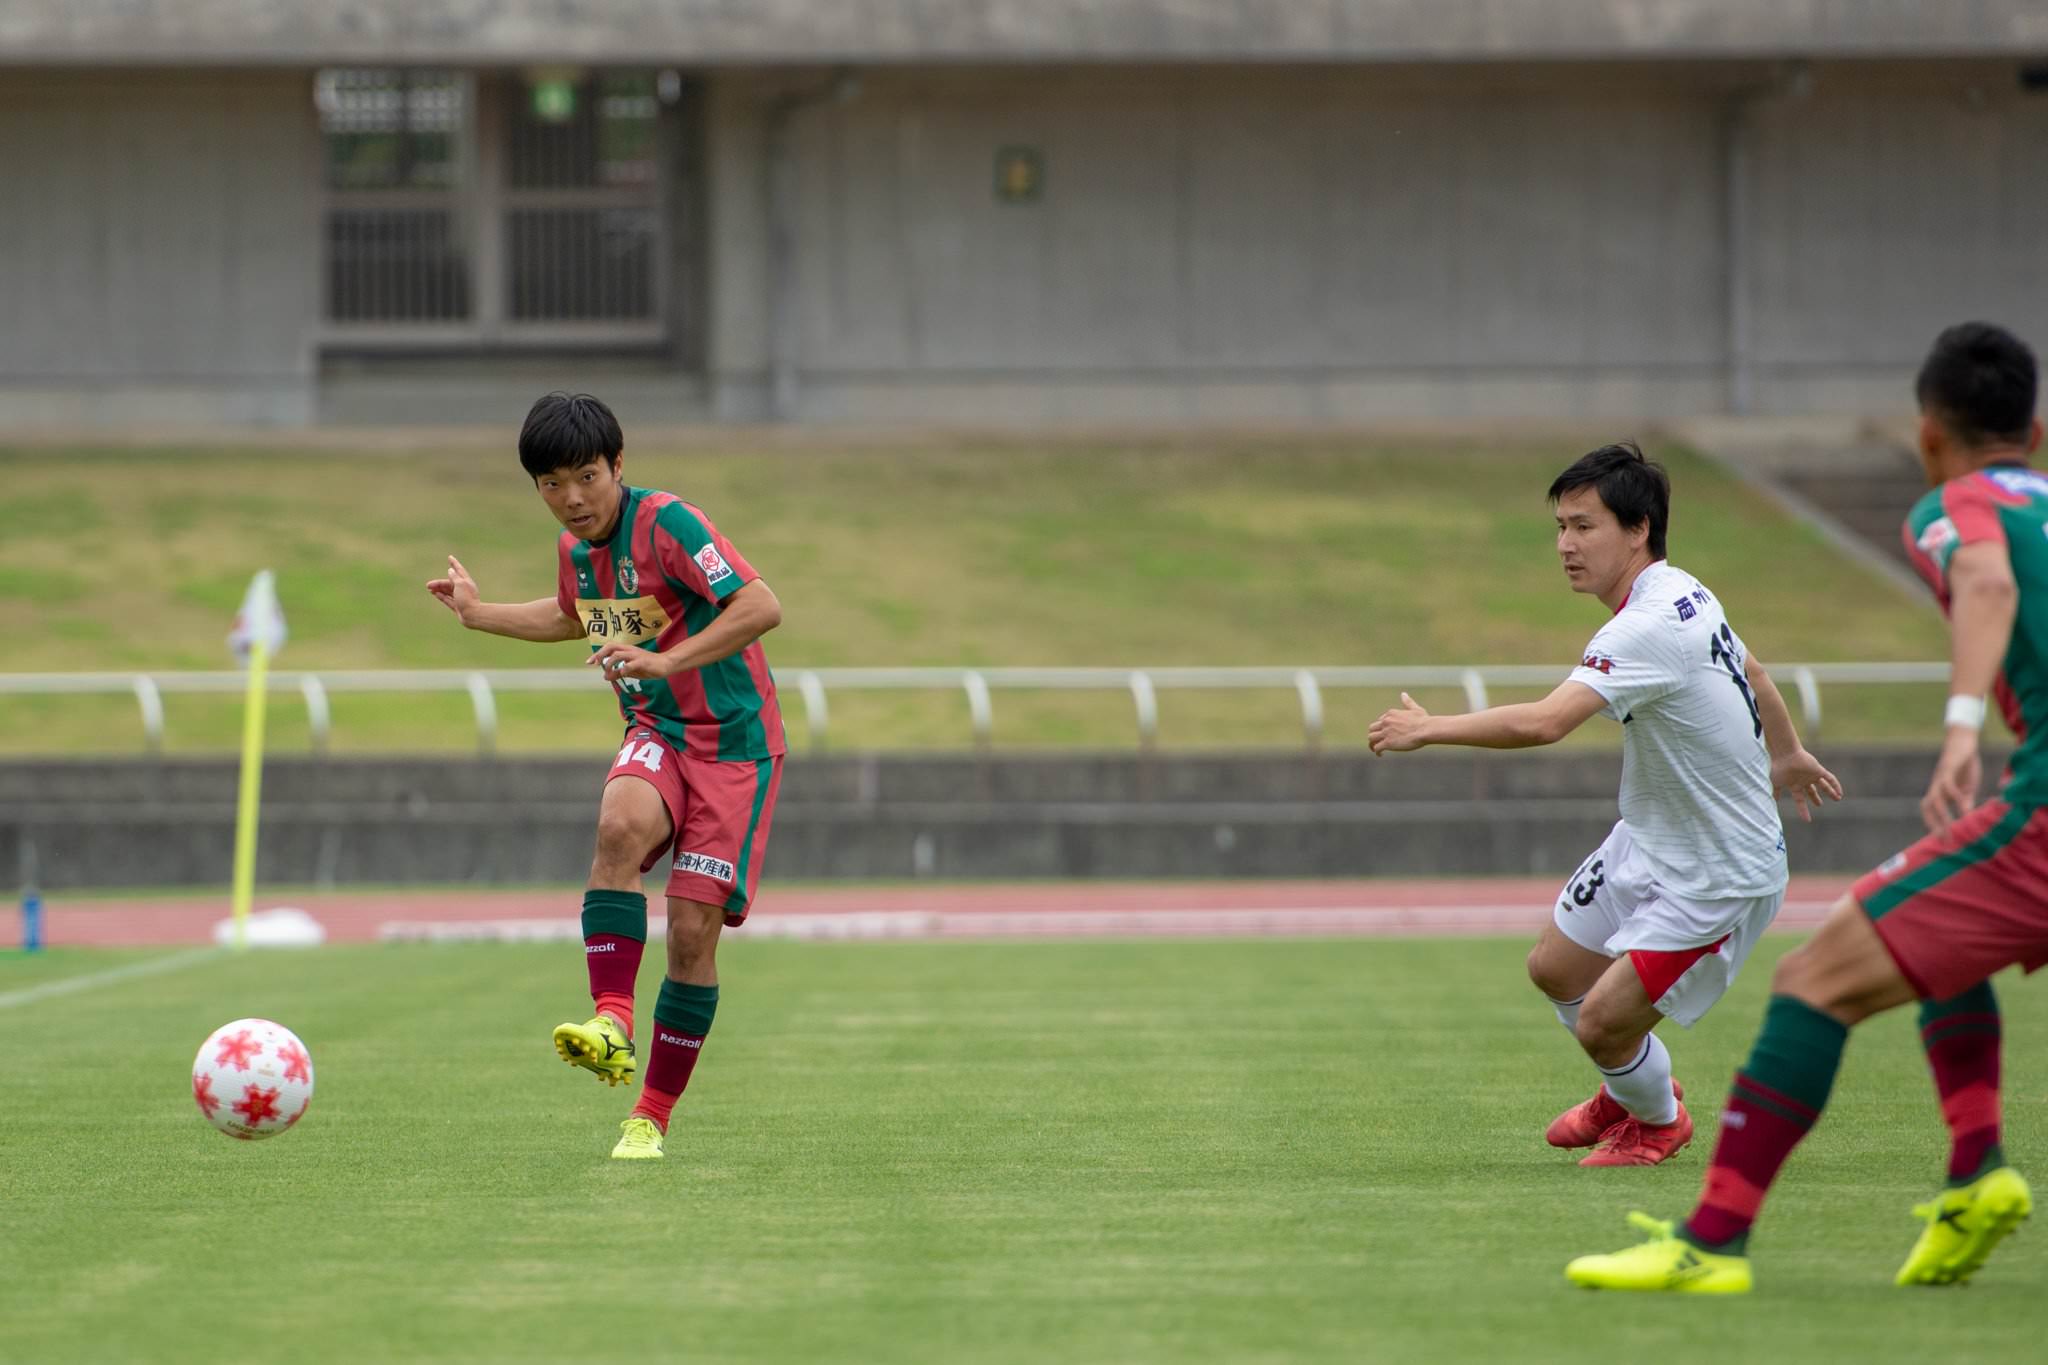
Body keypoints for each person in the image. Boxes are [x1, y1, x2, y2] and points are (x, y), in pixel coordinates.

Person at [1566, 322, 2043, 1293]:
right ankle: (1974, 1171)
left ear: (1926, 434)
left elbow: (1988, 579)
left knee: (1813, 981)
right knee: (1936, 944)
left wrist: (1961, 727)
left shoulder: (1954, 506)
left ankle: (1709, 1245)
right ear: (2033, 434)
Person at [1370, 441, 1840, 1166]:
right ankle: (1631, 1087)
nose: (1565, 544)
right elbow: (1753, 669)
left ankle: (1656, 1121)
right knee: (1554, 968)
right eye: (1561, 526)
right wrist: (1785, 752)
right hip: (1653, 837)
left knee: (1601, 1024)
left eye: (1584, 526)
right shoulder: (1684, 589)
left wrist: (1430, 728)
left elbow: (1546, 723)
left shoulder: (1645, 625)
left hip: (1718, 873)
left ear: (1638, 528)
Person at [427, 392, 786, 1161]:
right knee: (619, 824)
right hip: (657, 729)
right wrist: (478, 613)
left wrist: (667, 659)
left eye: (586, 476)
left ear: (618, 465)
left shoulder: (670, 524)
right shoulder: (575, 551)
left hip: (735, 748)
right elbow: (573, 616)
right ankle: (612, 1020)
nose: (572, 498)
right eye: (552, 483)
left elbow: (760, 604)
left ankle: (649, 1115)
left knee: (689, 934)